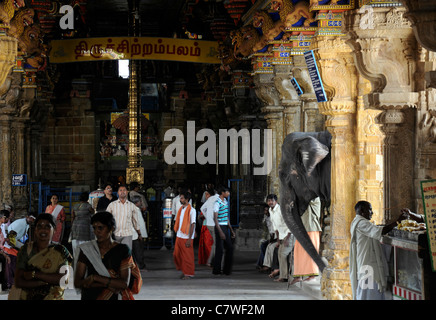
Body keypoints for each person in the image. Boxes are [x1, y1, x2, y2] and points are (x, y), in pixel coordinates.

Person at [74, 211, 142, 300]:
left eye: (100, 228)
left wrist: (95, 278)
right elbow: (77, 282)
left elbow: (124, 284)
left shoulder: (122, 250)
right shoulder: (87, 249)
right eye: (94, 228)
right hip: (90, 296)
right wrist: (109, 284)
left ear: (111, 228)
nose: (96, 232)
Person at [349, 200, 406, 300]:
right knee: (368, 295)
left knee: (370, 295)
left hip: (367, 265)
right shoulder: (361, 223)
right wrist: (397, 222)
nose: (372, 212)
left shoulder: (360, 222)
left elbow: (376, 229)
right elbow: (379, 231)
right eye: (369, 210)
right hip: (368, 268)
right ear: (362, 210)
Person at [12, 213, 72, 300]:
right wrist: (47, 281)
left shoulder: (60, 251)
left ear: (54, 230)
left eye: (47, 227)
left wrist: (35, 274)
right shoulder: (26, 250)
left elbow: (63, 280)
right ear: (35, 230)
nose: (43, 230)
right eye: (39, 226)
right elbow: (19, 281)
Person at [290, 197, 322, 285]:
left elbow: (305, 201)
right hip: (302, 228)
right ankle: (298, 275)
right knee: (298, 252)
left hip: (311, 227)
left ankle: (313, 275)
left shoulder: (314, 197)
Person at [267, 194, 294, 282]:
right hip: (282, 236)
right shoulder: (271, 211)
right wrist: (278, 240)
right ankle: (283, 275)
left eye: (272, 200)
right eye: (269, 201)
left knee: (283, 254)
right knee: (279, 253)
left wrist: (288, 238)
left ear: (276, 201)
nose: (270, 202)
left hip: (289, 235)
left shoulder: (281, 210)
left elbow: (290, 224)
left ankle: (284, 276)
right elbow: (275, 227)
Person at [106, 185, 141, 250]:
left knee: (126, 255)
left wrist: (139, 233)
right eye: (120, 190)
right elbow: (106, 218)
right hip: (115, 234)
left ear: (127, 192)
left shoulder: (131, 206)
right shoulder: (112, 205)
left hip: (127, 234)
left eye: (124, 190)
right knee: (115, 255)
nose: (122, 192)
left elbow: (135, 221)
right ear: (118, 193)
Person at [173, 191, 196, 279]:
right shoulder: (181, 209)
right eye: (180, 198)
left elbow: (193, 224)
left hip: (187, 236)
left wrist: (190, 239)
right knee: (177, 254)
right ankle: (184, 270)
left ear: (186, 199)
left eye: (182, 198)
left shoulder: (192, 210)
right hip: (179, 235)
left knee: (187, 256)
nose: (180, 199)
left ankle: (188, 273)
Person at [212, 186, 235, 276]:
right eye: (227, 192)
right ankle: (216, 270)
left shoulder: (225, 202)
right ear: (222, 192)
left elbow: (226, 217)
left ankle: (226, 270)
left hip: (225, 226)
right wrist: (220, 232)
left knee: (230, 248)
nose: (228, 193)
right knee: (220, 249)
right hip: (219, 227)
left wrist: (231, 230)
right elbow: (215, 218)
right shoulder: (217, 203)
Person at [70, 192, 94, 258]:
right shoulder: (88, 206)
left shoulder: (75, 206)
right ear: (87, 198)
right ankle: (83, 261)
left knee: (75, 244)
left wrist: (72, 226)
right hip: (84, 227)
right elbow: (93, 212)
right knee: (84, 245)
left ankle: (76, 259)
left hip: (75, 226)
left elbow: (72, 217)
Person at [198, 188, 218, 266]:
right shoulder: (209, 202)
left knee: (210, 243)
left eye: (208, 194)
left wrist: (206, 216)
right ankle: (209, 260)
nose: (206, 196)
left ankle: (210, 260)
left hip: (209, 224)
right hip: (206, 224)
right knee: (207, 243)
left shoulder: (213, 202)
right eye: (205, 194)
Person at [130, 195, 148, 270]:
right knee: (138, 251)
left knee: (134, 251)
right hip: (136, 234)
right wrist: (140, 234)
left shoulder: (131, 209)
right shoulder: (136, 210)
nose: (141, 203)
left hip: (132, 234)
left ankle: (135, 266)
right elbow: (139, 223)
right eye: (140, 201)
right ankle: (141, 266)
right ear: (137, 203)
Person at [256, 203, 276, 269]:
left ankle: (263, 264)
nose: (265, 212)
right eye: (265, 210)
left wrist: (272, 239)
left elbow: (274, 230)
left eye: (267, 210)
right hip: (270, 236)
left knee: (265, 246)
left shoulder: (272, 217)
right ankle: (262, 264)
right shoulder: (266, 218)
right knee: (263, 245)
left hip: (275, 237)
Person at [0, 210, 11, 291]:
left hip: (1, 249)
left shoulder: (1, 226)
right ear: (3, 218)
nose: (8, 220)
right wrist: (5, 254)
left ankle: (6, 283)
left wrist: (6, 239)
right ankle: (5, 284)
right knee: (6, 259)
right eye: (7, 218)